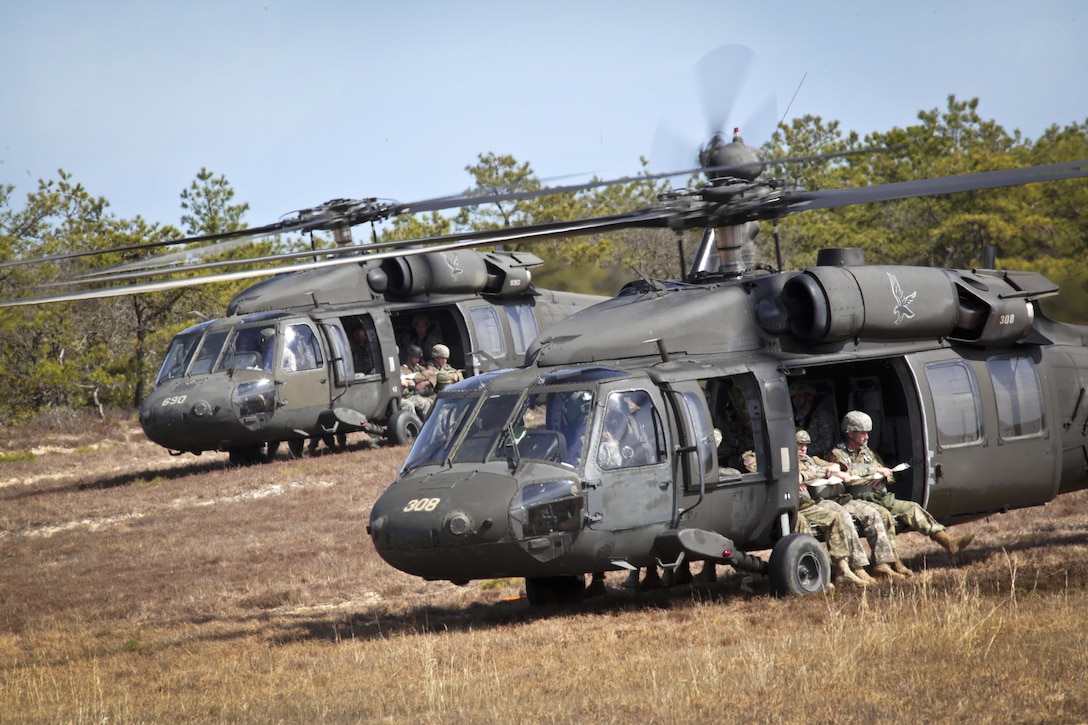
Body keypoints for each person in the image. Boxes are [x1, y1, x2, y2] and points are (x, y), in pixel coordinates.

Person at [830, 411, 974, 557]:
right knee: (885, 517)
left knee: (913, 508)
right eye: (862, 433)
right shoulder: (837, 455)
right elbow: (843, 476)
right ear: (850, 433)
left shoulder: (868, 453)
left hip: (880, 497)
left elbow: (887, 472)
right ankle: (894, 561)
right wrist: (873, 470)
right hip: (859, 501)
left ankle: (947, 542)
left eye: (867, 433)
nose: (867, 437)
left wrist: (883, 477)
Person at [796, 429, 909, 580]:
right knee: (843, 518)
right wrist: (815, 473)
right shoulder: (788, 465)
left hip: (841, 497)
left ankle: (882, 564)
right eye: (799, 445)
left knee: (873, 514)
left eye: (805, 445)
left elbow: (838, 468)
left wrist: (833, 469)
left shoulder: (812, 460)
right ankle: (857, 567)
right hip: (820, 502)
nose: (803, 448)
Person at [790, 381, 836, 458]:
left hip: (819, 459)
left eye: (800, 396)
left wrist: (803, 450)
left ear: (809, 397)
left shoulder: (822, 416)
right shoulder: (794, 417)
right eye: (794, 397)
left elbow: (826, 443)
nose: (796, 400)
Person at [398, 344, 434, 420]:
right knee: (409, 405)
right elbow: (412, 381)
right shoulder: (402, 369)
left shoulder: (418, 367)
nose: (418, 360)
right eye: (415, 358)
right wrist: (424, 375)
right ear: (409, 357)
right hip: (406, 396)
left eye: (418, 358)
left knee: (425, 403)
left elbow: (433, 374)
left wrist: (426, 382)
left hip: (414, 395)